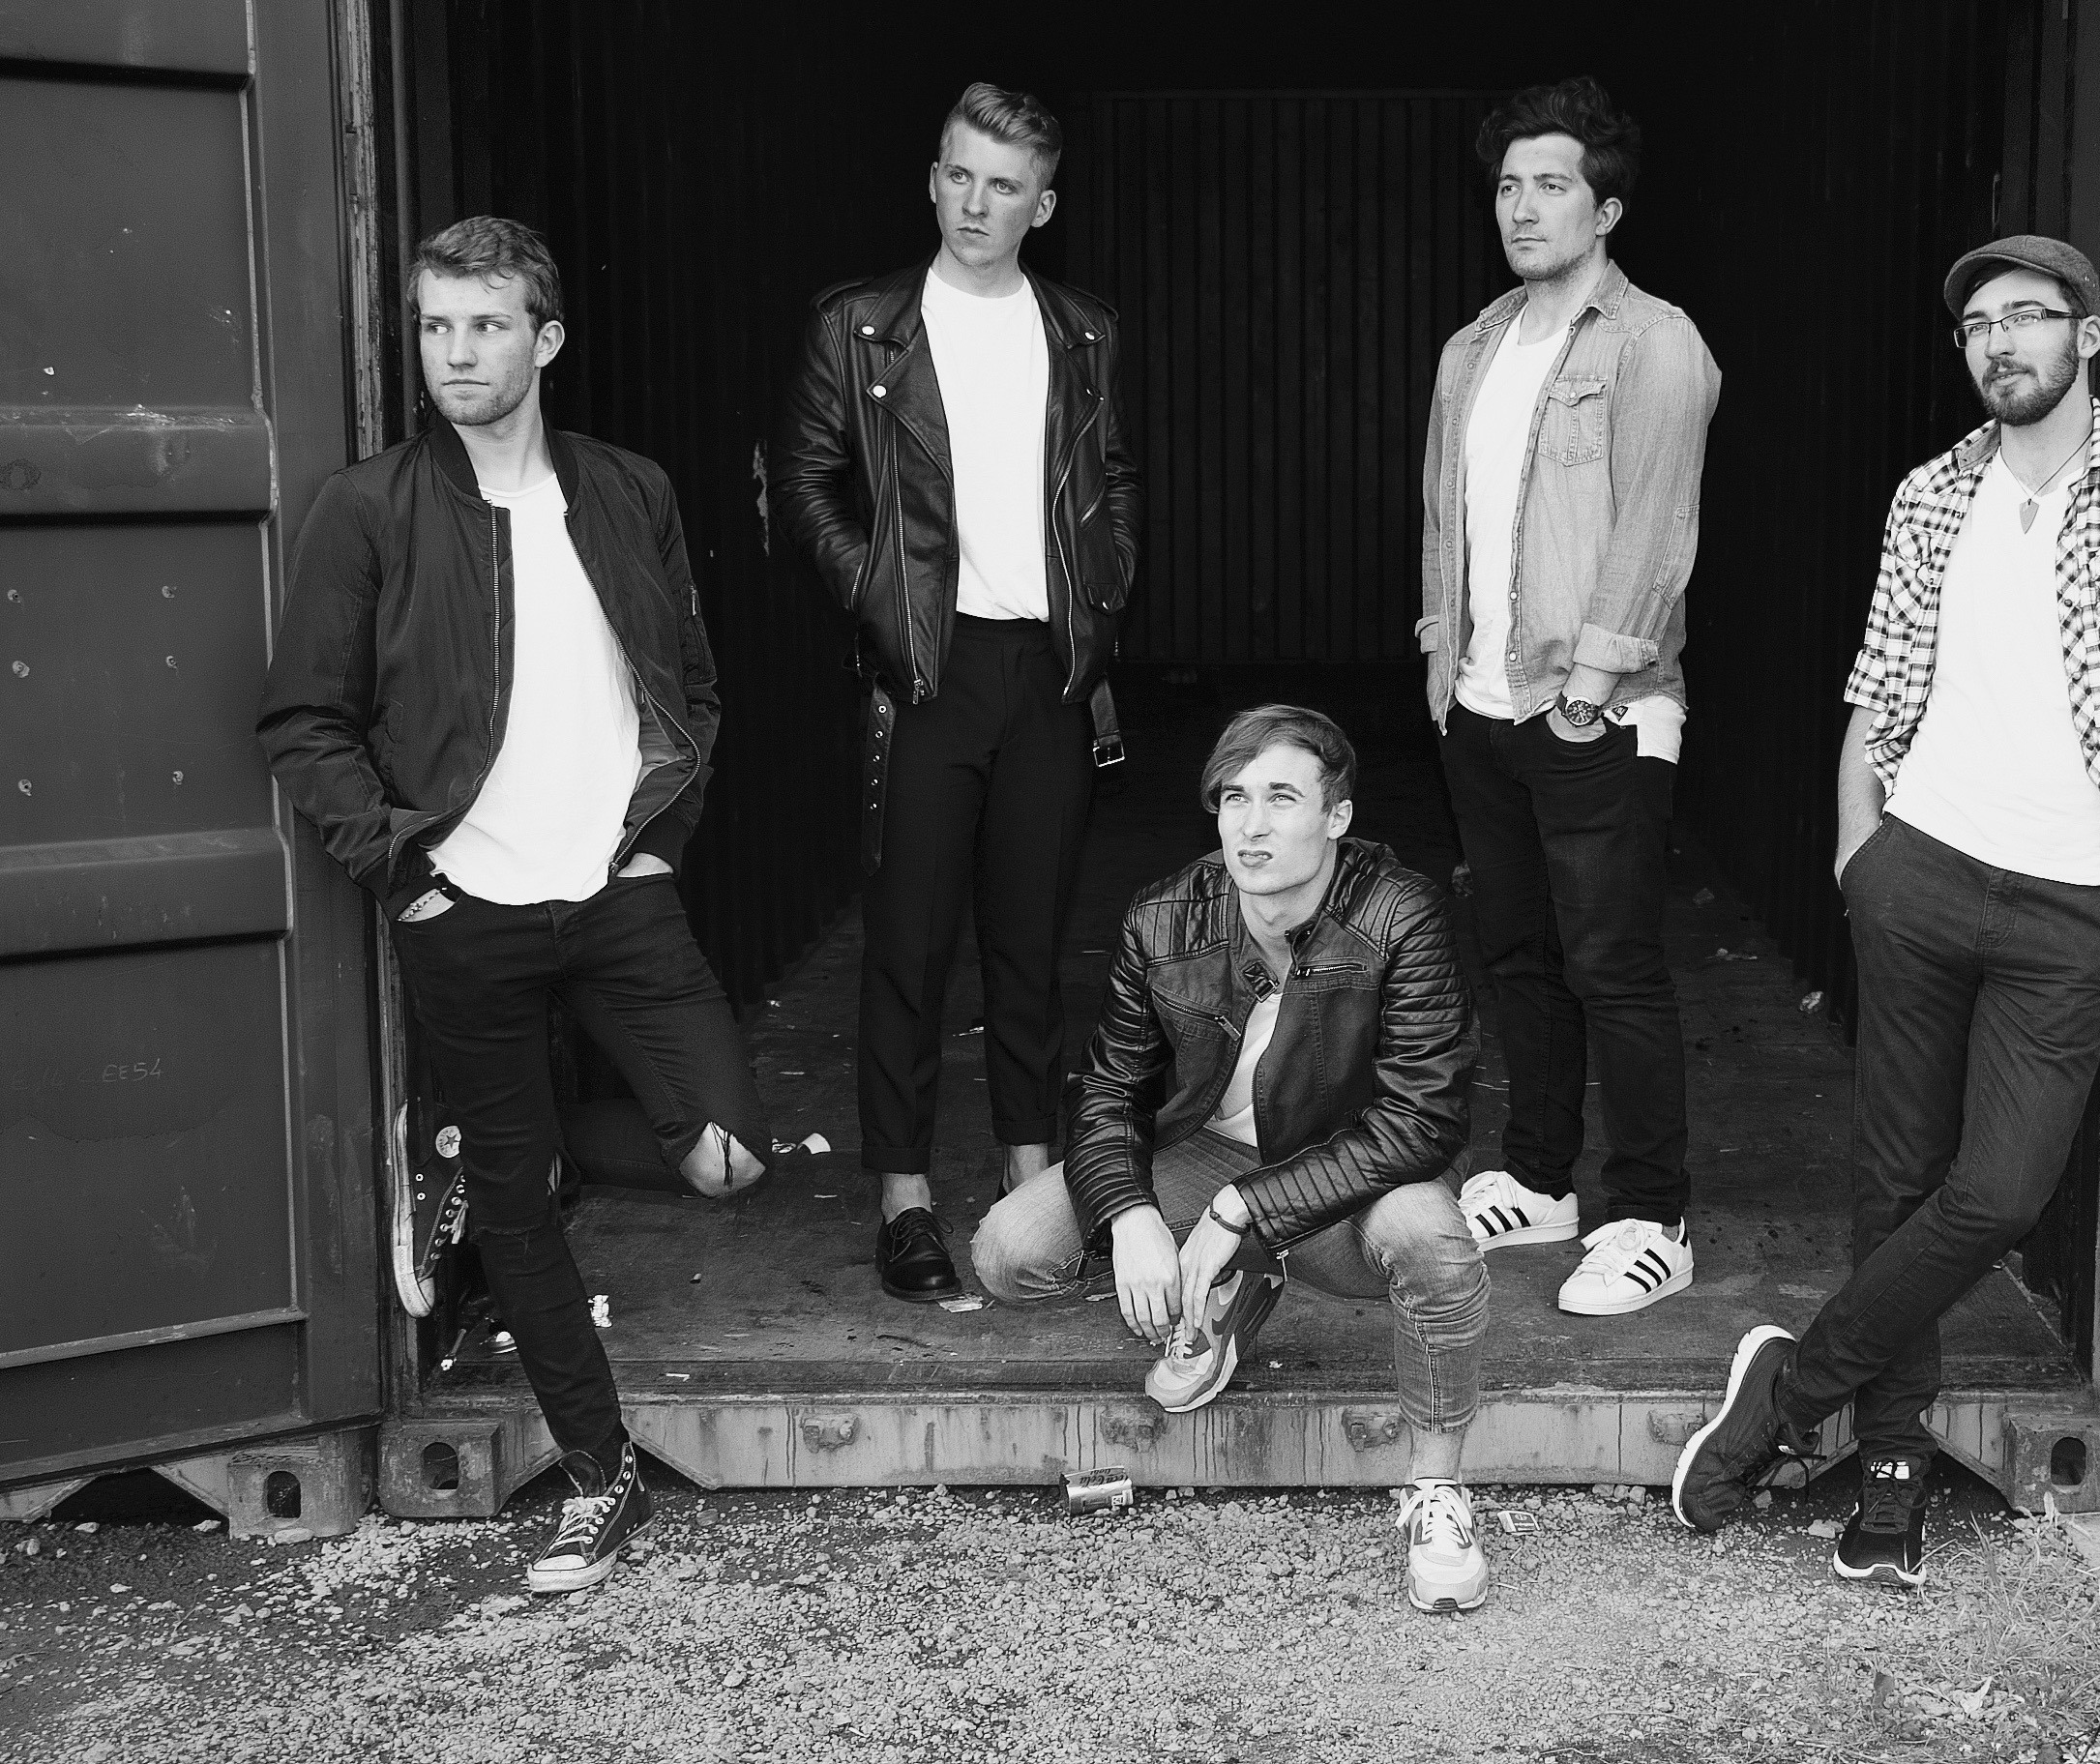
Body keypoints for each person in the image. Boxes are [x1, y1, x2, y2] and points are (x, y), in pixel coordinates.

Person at [1671, 236, 2100, 1587]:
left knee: (1997, 1192)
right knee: (1898, 1179)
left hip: (2071, 902)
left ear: (2086, 337)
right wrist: (1858, 851)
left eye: (2026, 316)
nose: (1998, 343)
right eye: (1977, 325)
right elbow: (1880, 681)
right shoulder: (1931, 492)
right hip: (1919, 871)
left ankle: (1791, 1393)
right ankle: (1891, 1459)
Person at [260, 217, 781, 1595]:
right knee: (521, 1208)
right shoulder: (368, 509)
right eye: (436, 326)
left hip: (614, 890)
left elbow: (692, 685)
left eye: (486, 325)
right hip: (465, 905)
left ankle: (486, 1155)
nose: (456, 353)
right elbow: (304, 720)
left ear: (544, 339)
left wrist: (660, 844)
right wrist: (407, 875)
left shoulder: (626, 491)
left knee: (729, 1156)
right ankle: (601, 1476)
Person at [970, 707, 1493, 1613]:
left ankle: (1436, 1487)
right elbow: (1108, 1090)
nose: (1252, 825)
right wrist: (1130, 1214)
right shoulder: (1162, 917)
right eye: (1233, 798)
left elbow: (1422, 1118)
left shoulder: (1398, 912)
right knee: (1010, 1253)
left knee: (1432, 1245)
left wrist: (1238, 1210)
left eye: (1282, 798)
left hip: (1356, 1174)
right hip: (1208, 1154)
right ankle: (1233, 1284)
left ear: (1336, 816)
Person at [775, 81, 1142, 1306]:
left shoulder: (1082, 330)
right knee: (910, 947)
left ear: (1044, 204)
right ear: (933, 178)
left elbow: (1114, 476)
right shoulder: (861, 326)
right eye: (959, 175)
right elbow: (806, 481)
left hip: (1047, 669)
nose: (976, 203)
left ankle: (1033, 1188)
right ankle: (906, 1199)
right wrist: (878, 594)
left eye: (1005, 185)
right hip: (924, 668)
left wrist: (1106, 584)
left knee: (1030, 945)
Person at [1418, 77, 1722, 1317]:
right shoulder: (1472, 348)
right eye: (1507, 186)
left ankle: (1651, 1213)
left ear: (1605, 211)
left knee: (1613, 963)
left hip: (1597, 704)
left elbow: (1657, 524)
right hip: (1483, 703)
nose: (1522, 207)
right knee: (1519, 954)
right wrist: (1441, 660)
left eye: (1551, 185)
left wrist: (1590, 685)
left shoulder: (1654, 343)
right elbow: (1445, 520)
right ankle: (1541, 1180)